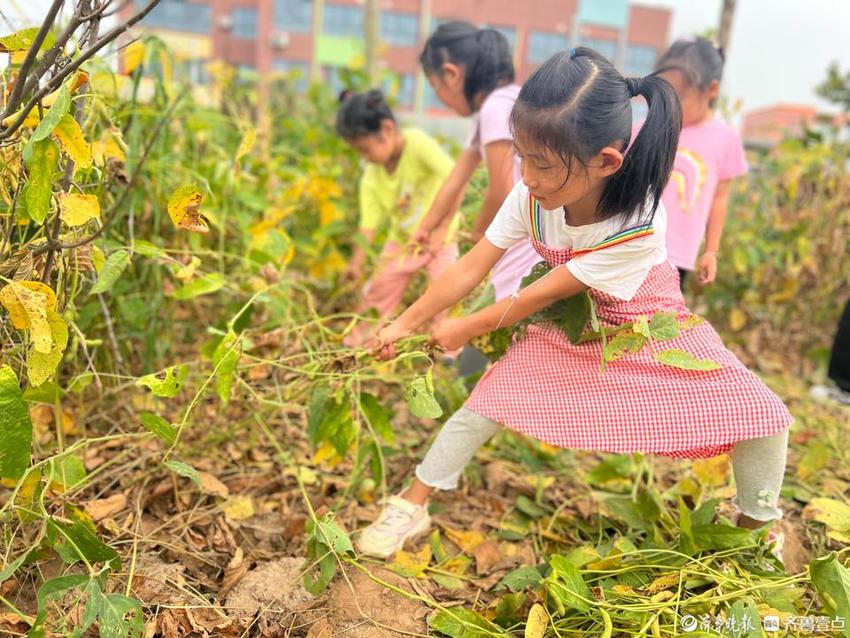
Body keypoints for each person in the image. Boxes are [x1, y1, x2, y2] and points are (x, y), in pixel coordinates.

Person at [356, 48, 793, 560]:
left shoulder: (637, 222)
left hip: (648, 327)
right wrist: (404, 323)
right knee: (487, 400)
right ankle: (413, 502)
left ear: (606, 161)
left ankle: (751, 532)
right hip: (574, 323)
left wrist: (463, 328)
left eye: (542, 164)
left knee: (765, 416)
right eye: (522, 156)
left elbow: (534, 296)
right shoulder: (533, 196)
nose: (528, 177)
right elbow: (473, 265)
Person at [410, 21, 540, 303]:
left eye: (434, 86)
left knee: (501, 309)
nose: (439, 98)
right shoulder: (500, 104)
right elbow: (456, 178)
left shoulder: (496, 106)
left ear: (451, 74)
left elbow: (502, 189)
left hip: (527, 233)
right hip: (526, 225)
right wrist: (426, 226)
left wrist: (480, 233)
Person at [336, 90, 458, 347]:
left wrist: (442, 228)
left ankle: (448, 354)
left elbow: (455, 178)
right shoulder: (371, 176)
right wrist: (356, 264)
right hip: (403, 243)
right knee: (377, 292)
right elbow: (367, 227)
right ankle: (359, 345)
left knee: (446, 295)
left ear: (388, 129)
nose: (364, 157)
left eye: (365, 149)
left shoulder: (417, 143)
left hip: (440, 240)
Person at [652, 38, 748, 290]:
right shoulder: (647, 129)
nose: (669, 105)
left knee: (658, 324)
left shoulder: (725, 139)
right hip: (630, 244)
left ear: (711, 90)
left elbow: (720, 198)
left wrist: (711, 251)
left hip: (675, 257)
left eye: (680, 97)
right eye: (663, 95)